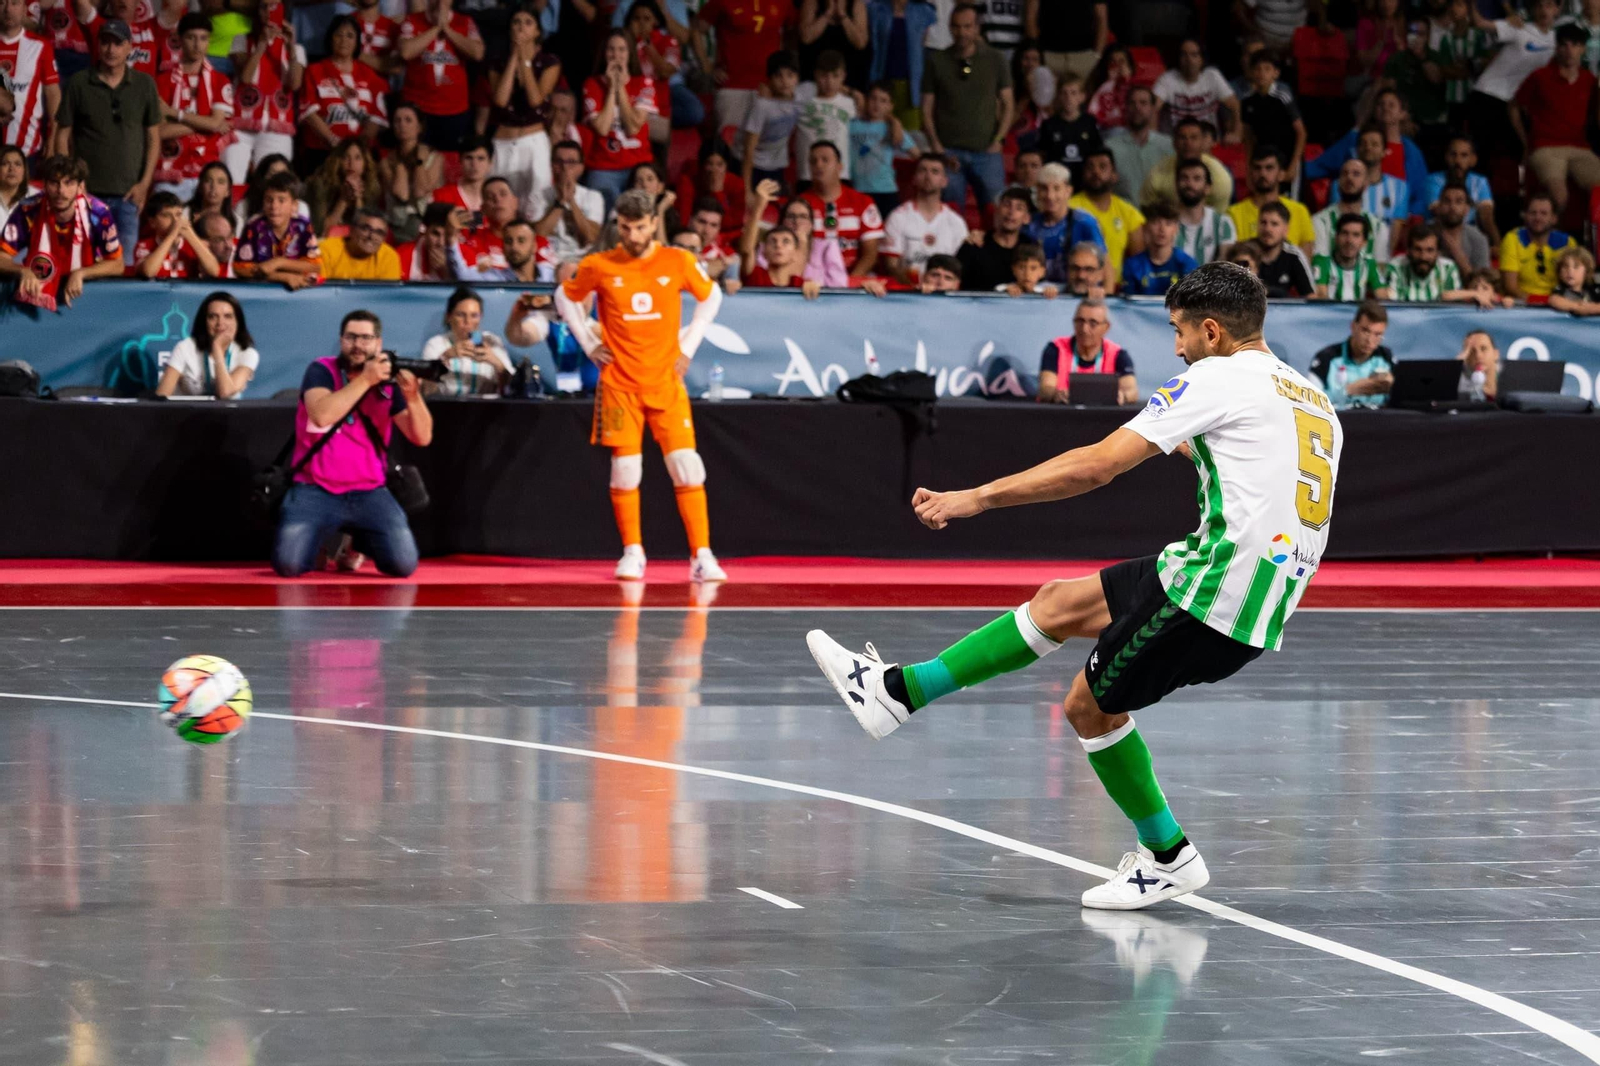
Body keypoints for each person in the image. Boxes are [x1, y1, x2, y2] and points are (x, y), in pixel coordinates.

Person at [807, 262, 1343, 911]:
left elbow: (1095, 469)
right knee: (1059, 603)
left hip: (1213, 595)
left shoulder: (1215, 377)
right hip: (1244, 581)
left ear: (1211, 331)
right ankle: (896, 694)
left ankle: (1170, 857)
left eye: (1179, 333)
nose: (1175, 348)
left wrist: (974, 498)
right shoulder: (1308, 395)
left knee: (1089, 707)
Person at [555, 188, 729, 583]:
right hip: (619, 385)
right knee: (625, 472)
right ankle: (633, 552)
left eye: (639, 227)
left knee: (687, 466)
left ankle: (702, 555)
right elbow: (564, 297)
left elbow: (712, 295)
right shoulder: (600, 264)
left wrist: (688, 343)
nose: (632, 235)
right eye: (625, 227)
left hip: (666, 382)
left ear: (654, 223)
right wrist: (587, 342)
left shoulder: (677, 260)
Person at [272, 309, 433, 579]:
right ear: (341, 340)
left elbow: (422, 437)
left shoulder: (388, 384)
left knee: (403, 565)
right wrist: (367, 380)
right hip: (315, 489)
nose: (358, 345)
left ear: (379, 344)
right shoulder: (321, 370)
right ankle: (322, 540)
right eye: (351, 337)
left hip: (369, 491)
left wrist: (413, 396)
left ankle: (354, 543)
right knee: (288, 565)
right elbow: (322, 415)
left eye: (366, 338)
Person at [52, 18, 159, 264]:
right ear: (97, 46)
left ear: (129, 47)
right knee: (83, 261)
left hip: (128, 195)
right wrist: (71, 182)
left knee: (126, 266)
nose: (111, 50)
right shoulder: (79, 82)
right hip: (87, 194)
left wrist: (144, 184)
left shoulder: (144, 84)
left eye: (117, 43)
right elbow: (62, 135)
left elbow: (153, 137)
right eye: (105, 43)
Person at [0, 153, 123, 309]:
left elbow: (118, 264)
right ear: (44, 185)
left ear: (80, 187)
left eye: (69, 183)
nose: (61, 190)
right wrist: (23, 271)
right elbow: (1, 257)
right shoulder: (28, 210)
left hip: (84, 292)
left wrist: (81, 273)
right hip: (37, 295)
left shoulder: (98, 213)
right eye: (54, 183)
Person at [921, 2, 1013, 208]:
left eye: (967, 26)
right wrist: (936, 146)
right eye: (956, 26)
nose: (961, 32)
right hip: (949, 153)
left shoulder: (995, 59)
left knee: (996, 212)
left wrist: (999, 139)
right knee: (950, 215)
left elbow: (1008, 104)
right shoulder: (937, 60)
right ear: (950, 28)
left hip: (988, 152)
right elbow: (926, 109)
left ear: (977, 27)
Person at [1513, 23, 1599, 216]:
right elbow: (1513, 107)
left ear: (1582, 49)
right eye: (1564, 44)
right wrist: (1525, 142)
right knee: (1559, 197)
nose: (1569, 50)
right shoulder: (1540, 76)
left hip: (1580, 147)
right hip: (1546, 146)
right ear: (1557, 47)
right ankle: (1554, 242)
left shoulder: (1589, 80)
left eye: (1575, 45)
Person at [1465, 0, 1558, 170]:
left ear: (1557, 10)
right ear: (1534, 9)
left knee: (1517, 152)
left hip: (1512, 103)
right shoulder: (1519, 28)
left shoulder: (1557, 41)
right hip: (1487, 95)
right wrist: (1471, 4)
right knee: (1481, 154)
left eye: (1549, 5)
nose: (1544, 10)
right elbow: (1479, 22)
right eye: (1540, 5)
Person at [489, 3, 560, 207]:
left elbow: (535, 100)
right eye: (517, 22)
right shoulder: (497, 62)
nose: (521, 27)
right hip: (503, 141)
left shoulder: (549, 62)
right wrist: (514, 57)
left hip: (533, 141)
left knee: (536, 203)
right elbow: (500, 100)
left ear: (537, 31)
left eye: (528, 23)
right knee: (498, 201)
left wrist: (525, 61)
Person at [583, 29, 658, 214]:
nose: (616, 55)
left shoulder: (644, 83)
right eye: (611, 49)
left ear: (630, 53)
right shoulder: (592, 84)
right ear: (604, 53)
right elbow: (601, 128)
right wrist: (611, 89)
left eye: (622, 49)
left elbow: (633, 127)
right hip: (603, 167)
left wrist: (621, 87)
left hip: (637, 166)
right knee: (602, 216)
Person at [692, 0, 795, 134]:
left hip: (769, 89)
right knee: (728, 143)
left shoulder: (784, 2)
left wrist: (786, 74)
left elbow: (794, 33)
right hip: (732, 87)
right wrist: (707, 66)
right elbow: (696, 29)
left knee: (766, 146)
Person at [224, 13, 303, 185]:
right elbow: (245, 77)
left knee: (274, 183)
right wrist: (261, 45)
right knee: (232, 179)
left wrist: (291, 50)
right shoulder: (241, 40)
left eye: (273, 6)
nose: (268, 11)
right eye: (264, 6)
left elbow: (295, 84)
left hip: (277, 127)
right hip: (241, 124)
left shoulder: (297, 48)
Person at [299, 16, 390, 164]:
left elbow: (377, 116)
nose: (344, 40)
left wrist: (359, 147)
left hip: (361, 155)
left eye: (350, 35)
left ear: (357, 42)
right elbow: (309, 111)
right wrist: (334, 142)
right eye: (338, 35)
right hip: (322, 152)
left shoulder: (370, 75)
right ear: (330, 38)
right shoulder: (314, 71)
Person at [396, 0, 483, 151]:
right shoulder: (412, 20)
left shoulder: (465, 21)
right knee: (418, 160)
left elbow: (478, 53)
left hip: (454, 110)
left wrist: (447, 30)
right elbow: (406, 52)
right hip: (418, 109)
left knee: (452, 164)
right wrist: (437, 28)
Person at [801, 140, 884, 278]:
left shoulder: (863, 202)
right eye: (813, 161)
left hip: (852, 284)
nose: (818, 165)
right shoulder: (800, 204)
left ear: (839, 166)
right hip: (811, 283)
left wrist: (849, 283)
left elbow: (870, 254)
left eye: (825, 160)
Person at [882, 153, 967, 285]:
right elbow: (892, 266)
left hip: (944, 295)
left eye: (935, 171)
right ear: (914, 178)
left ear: (944, 181)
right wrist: (914, 290)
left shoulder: (956, 222)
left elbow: (960, 268)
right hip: (908, 295)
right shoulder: (898, 217)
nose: (928, 176)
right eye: (923, 170)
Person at [156, 290, 258, 397]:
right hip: (187, 412)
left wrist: (217, 350)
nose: (220, 323)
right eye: (213, 317)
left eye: (227, 316)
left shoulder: (247, 353)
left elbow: (225, 393)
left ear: (238, 322)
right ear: (204, 322)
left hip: (226, 413)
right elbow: (162, 395)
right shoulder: (185, 347)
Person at [1068, 147, 1143, 291]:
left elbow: (1138, 260)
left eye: (1102, 166)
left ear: (1114, 175)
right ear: (1083, 174)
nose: (1096, 172)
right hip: (1077, 286)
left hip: (1116, 290)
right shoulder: (1070, 207)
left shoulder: (1128, 212)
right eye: (1090, 167)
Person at [1036, 294, 1136, 403]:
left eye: (1093, 323)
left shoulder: (1118, 355)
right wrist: (1056, 394)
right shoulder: (1056, 348)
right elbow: (1045, 387)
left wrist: (1123, 396)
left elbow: (1131, 390)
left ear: (1106, 327)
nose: (1084, 329)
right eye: (1080, 321)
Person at [234, 170, 321, 288]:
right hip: (261, 289)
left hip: (298, 287)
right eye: (269, 200)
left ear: (294, 205)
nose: (274, 206)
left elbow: (315, 266)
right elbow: (240, 268)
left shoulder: (303, 226)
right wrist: (282, 277)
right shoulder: (254, 226)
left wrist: (278, 263)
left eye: (281, 200)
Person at [421, 285, 513, 395]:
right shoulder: (436, 344)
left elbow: (512, 390)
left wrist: (497, 364)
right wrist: (444, 357)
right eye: (460, 315)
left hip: (486, 409)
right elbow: (426, 392)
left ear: (481, 317)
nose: (468, 321)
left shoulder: (492, 342)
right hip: (445, 408)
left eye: (474, 316)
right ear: (449, 317)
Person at [1023, 161, 1103, 283]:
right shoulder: (1029, 224)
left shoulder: (1085, 222)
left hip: (1076, 294)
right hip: (1038, 296)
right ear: (1037, 192)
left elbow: (1105, 266)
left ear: (1068, 191)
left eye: (1056, 188)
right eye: (1044, 188)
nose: (1050, 196)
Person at [1227, 147, 1313, 257]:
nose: (1262, 173)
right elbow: (1233, 259)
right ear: (1250, 173)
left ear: (1281, 174)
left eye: (1269, 168)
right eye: (1257, 168)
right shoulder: (1233, 213)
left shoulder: (1299, 211)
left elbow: (1306, 257)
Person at [0, 0, 60, 158]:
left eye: (14, 3)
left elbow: (53, 94)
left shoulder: (40, 46)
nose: (8, 9)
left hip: (27, 151)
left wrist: (52, 138)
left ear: (24, 9)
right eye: (2, 3)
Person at [850, 80, 918, 217]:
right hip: (858, 189)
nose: (877, 104)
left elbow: (916, 154)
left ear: (891, 106)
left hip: (886, 190)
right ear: (866, 100)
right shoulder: (852, 125)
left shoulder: (891, 128)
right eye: (873, 98)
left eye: (883, 101)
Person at [532, 138, 605, 264]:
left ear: (581, 167)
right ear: (552, 166)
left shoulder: (593, 197)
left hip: (582, 261)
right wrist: (560, 202)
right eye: (559, 162)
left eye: (571, 162)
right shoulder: (538, 196)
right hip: (547, 261)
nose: (565, 167)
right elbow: (537, 236)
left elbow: (591, 237)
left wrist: (571, 201)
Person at [1308, 300, 1393, 409]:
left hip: (1380, 423)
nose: (1370, 340)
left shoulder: (1386, 358)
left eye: (1378, 334)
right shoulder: (1326, 358)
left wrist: (1392, 387)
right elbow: (1310, 402)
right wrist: (1348, 391)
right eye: (1365, 331)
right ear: (1353, 326)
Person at [378, 102, 442, 243]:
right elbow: (401, 194)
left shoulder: (434, 157)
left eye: (408, 120)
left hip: (425, 222)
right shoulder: (386, 161)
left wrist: (419, 161)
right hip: (397, 224)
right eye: (397, 120)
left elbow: (420, 191)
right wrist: (400, 163)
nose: (402, 125)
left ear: (419, 127)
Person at [1237, 49, 1304, 182]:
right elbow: (1249, 137)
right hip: (1263, 162)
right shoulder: (1247, 101)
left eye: (1267, 69)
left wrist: (1292, 167)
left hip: (1287, 159)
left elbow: (1301, 133)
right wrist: (1249, 169)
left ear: (1276, 73)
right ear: (1251, 72)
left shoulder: (1283, 97)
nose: (1262, 73)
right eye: (1257, 69)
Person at [738, 50, 801, 192]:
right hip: (753, 166)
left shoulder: (800, 101)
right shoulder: (762, 106)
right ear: (770, 79)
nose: (785, 81)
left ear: (797, 78)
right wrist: (746, 191)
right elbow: (748, 150)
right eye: (778, 76)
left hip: (776, 167)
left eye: (790, 76)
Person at [1152, 38, 1238, 140]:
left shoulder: (1212, 76)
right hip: (1175, 143)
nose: (1189, 60)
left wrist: (1236, 133)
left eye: (1194, 55)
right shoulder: (1167, 79)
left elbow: (1235, 105)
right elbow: (1151, 109)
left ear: (1202, 59)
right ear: (1178, 59)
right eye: (1184, 55)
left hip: (1206, 143)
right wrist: (1154, 138)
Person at [1140, 117, 1232, 213]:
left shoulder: (1220, 178)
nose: (1188, 143)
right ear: (1174, 142)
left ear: (1202, 143)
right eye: (1182, 137)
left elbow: (1219, 219)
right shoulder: (1158, 174)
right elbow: (1145, 211)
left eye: (1194, 138)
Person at [1377, 224, 1483, 303]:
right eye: (1418, 249)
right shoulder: (1396, 266)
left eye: (1430, 250)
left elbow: (1454, 302)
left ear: (1438, 253)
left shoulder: (1448, 268)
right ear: (1408, 251)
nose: (1423, 257)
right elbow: (1390, 301)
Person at [795, 49, 857, 184]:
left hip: (840, 174)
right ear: (816, 75)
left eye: (835, 76)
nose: (829, 81)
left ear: (843, 76)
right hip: (808, 174)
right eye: (824, 76)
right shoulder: (801, 99)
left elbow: (874, 117)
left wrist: (892, 120)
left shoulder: (849, 103)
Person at [1104, 87, 1173, 207]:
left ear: (1152, 109)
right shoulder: (1110, 147)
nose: (1137, 107)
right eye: (1132, 103)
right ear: (1126, 108)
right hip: (1124, 220)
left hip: (1159, 220)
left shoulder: (1168, 146)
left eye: (1143, 103)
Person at [130, 188, 222, 277]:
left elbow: (214, 271)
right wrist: (171, 236)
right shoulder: (144, 245)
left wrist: (191, 236)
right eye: (167, 215)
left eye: (178, 214)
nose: (175, 221)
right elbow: (148, 272)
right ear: (152, 222)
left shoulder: (193, 244)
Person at [1423, 136, 1496, 248]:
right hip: (1438, 236)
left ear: (1473, 160)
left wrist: (1497, 244)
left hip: (1469, 237)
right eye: (1453, 155)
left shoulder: (1480, 182)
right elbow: (1442, 214)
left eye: (1464, 155)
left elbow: (1486, 217)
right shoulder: (1433, 180)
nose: (1458, 161)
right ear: (1446, 157)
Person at [1312, 157, 1389, 261]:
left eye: (1356, 174)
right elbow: (1319, 263)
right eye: (1344, 173)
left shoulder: (1379, 227)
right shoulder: (1320, 221)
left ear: (1366, 184)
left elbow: (1381, 268)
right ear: (1338, 182)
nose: (1349, 178)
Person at [1500, 193, 1571, 302]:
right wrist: (1539, 302)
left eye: (1544, 213)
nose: (1538, 218)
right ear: (1525, 216)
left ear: (1554, 218)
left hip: (1560, 304)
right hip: (1522, 305)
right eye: (1533, 213)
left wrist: (1557, 302)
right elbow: (1511, 287)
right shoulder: (1513, 239)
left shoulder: (1567, 243)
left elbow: (1574, 283)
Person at [957, 183, 1028, 291]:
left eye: (1019, 208)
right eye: (1007, 205)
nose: (1011, 212)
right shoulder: (974, 246)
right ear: (996, 210)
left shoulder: (1031, 248)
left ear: (1026, 218)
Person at [1034, 73, 1100, 186]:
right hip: (1057, 181)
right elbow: (1042, 154)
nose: (1069, 98)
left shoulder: (1090, 122)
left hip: (1084, 180)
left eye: (1074, 93)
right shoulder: (1049, 124)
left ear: (1082, 97)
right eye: (1064, 93)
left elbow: (1097, 152)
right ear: (1058, 96)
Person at [306, 137, 379, 234]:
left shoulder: (371, 188)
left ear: (365, 163)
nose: (351, 164)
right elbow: (320, 231)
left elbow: (366, 232)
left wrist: (358, 199)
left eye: (357, 158)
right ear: (338, 161)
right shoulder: (321, 185)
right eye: (345, 157)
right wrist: (343, 200)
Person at [1121, 201, 1194, 296]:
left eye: (1168, 224)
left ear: (1176, 228)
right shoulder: (1132, 265)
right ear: (1146, 227)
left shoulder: (1187, 264)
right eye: (1155, 222)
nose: (1162, 229)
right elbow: (1128, 304)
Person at [1171, 158, 1236, 266]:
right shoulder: (1166, 223)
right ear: (1176, 185)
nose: (1190, 184)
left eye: (1197, 179)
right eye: (1184, 178)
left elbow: (1226, 266)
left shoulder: (1222, 223)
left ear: (1208, 187)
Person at [1025, 0, 1105, 81]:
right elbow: (1030, 17)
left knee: (1083, 93)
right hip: (1048, 56)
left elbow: (1102, 19)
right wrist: (1037, 54)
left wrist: (1097, 56)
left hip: (1084, 57)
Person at [1312, 214, 1384, 301]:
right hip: (1329, 313)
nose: (1349, 240)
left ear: (1364, 242)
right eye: (1345, 233)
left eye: (1356, 235)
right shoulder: (1322, 261)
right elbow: (1320, 298)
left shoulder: (1368, 263)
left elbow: (1383, 297)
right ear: (1336, 237)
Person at [319, 206, 400, 279]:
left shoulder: (389, 257)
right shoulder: (326, 251)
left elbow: (387, 294)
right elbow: (318, 291)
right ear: (351, 230)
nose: (371, 236)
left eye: (379, 232)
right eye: (366, 229)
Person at [1251, 201, 1312, 297]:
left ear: (1286, 230)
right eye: (1263, 223)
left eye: (1274, 224)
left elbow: (1310, 297)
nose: (1267, 229)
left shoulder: (1294, 255)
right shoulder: (1245, 251)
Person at [799, 0, 868, 87]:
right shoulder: (812, 2)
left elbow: (860, 43)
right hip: (816, 74)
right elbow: (806, 38)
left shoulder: (856, 4)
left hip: (849, 75)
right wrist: (828, 13)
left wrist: (843, 15)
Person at [742, 222, 821, 295]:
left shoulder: (800, 284)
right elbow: (747, 251)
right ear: (763, 252)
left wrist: (814, 289)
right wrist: (756, 212)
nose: (778, 245)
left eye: (786, 241)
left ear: (795, 254)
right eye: (773, 241)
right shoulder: (755, 274)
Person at [1431, 181, 1490, 273]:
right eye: (1447, 201)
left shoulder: (1478, 238)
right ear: (1438, 207)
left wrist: (1457, 254)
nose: (1452, 207)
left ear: (1467, 209)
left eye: (1458, 202)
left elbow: (1482, 283)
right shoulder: (1426, 233)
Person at [431, 134, 490, 224]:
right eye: (469, 158)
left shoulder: (497, 200)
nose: (474, 164)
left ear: (490, 163)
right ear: (460, 161)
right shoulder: (441, 196)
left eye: (480, 158)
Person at [685, 195, 740, 291]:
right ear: (690, 220)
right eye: (702, 222)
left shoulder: (727, 256)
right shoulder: (676, 246)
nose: (706, 230)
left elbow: (733, 288)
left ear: (719, 229)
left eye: (713, 225)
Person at [397, 200, 454, 280]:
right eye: (435, 234)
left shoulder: (466, 255)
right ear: (424, 231)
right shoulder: (402, 255)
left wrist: (446, 271)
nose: (441, 242)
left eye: (447, 235)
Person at [1546, 245, 1600, 315]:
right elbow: (1554, 300)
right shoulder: (1560, 289)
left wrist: (1591, 308)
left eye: (1576, 267)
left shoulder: (1593, 289)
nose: (1570, 271)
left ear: (1586, 271)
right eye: (1565, 267)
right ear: (1559, 271)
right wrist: (1576, 307)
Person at [1456, 328, 1500, 400]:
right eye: (1472, 351)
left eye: (1483, 348)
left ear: (1496, 354)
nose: (1478, 356)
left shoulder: (1511, 381)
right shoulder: (1461, 388)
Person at [0, 144, 28, 234]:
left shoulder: (35, 198)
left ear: (24, 170)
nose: (12, 168)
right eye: (5, 164)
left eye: (17, 164)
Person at [196, 209, 235, 274]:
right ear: (204, 242)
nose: (228, 246)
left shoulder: (242, 253)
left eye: (229, 236)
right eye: (219, 240)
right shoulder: (189, 255)